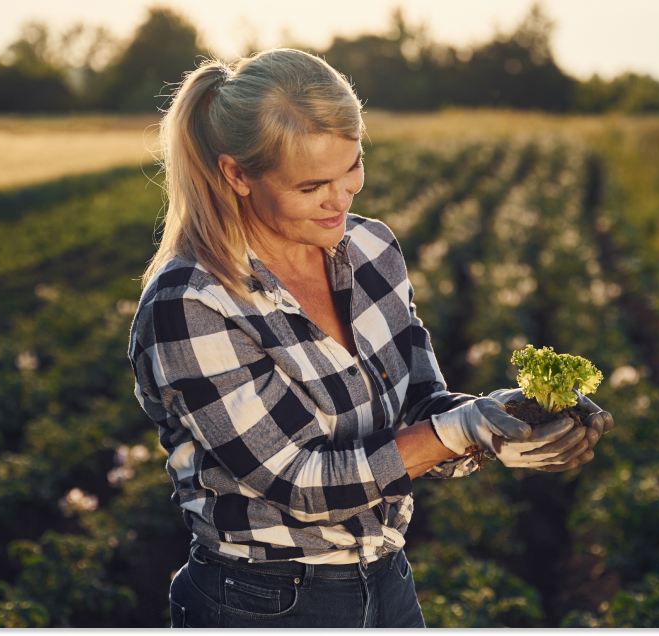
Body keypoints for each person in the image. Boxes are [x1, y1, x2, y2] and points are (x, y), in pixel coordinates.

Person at [127, 48, 615, 628]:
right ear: (236, 174)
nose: (343, 198)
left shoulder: (370, 251)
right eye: (312, 187)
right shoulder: (192, 301)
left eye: (352, 167)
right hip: (263, 600)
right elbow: (298, 481)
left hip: (387, 581)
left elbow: (420, 406)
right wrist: (457, 430)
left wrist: (512, 424)